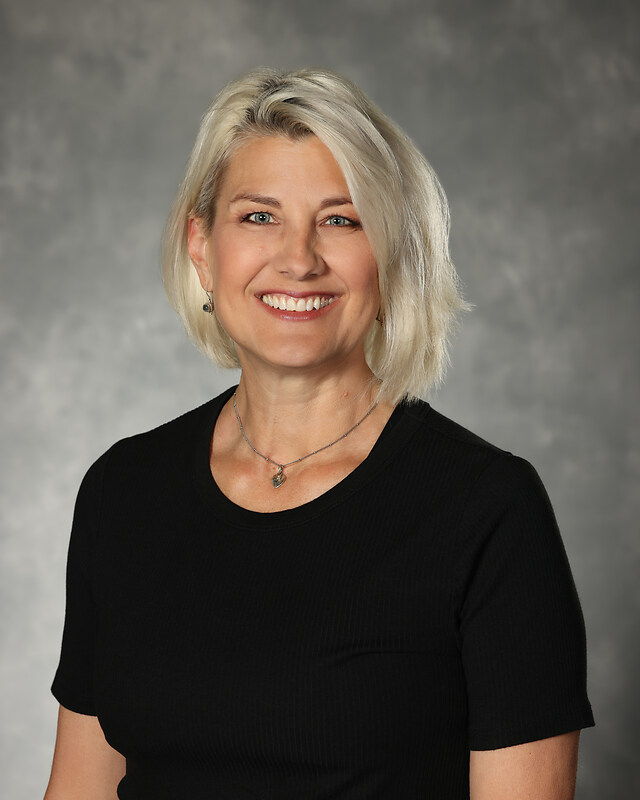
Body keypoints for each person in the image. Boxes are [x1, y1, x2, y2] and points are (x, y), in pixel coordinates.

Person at [45, 66, 595, 799]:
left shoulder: (487, 508)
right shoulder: (124, 491)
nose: (299, 260)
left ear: (391, 253)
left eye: (341, 220)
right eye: (259, 217)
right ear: (202, 246)